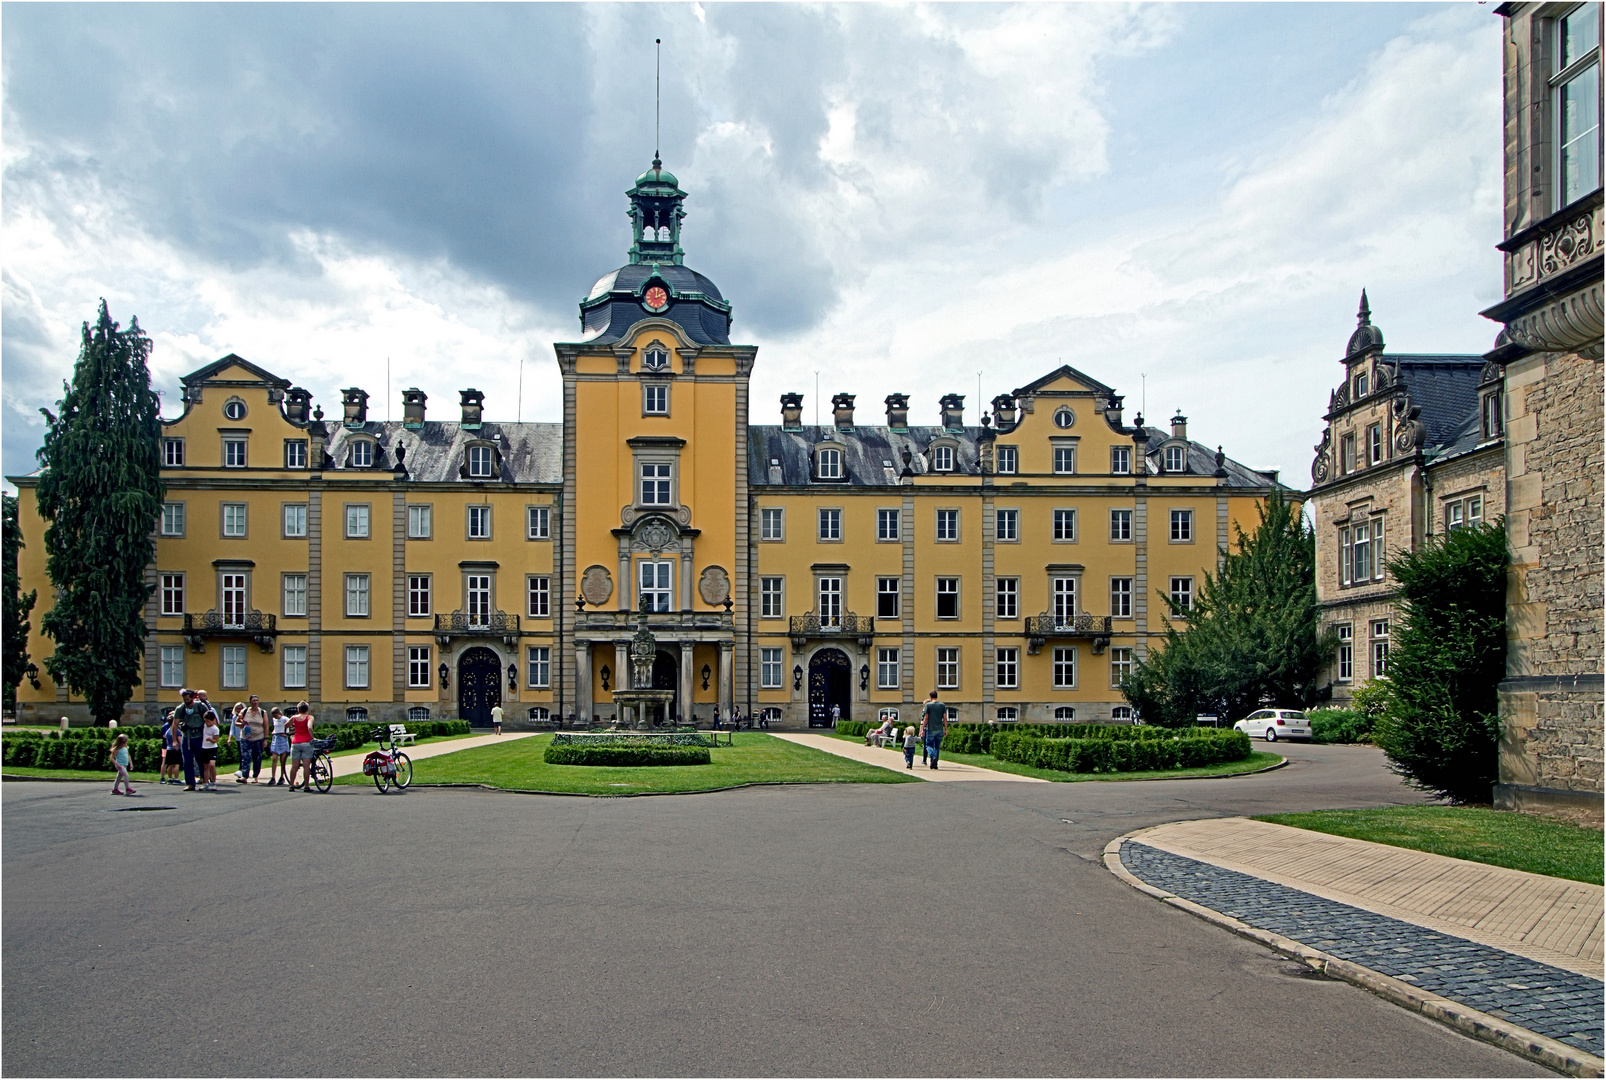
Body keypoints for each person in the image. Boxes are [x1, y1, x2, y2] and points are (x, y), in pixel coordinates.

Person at [171, 689, 207, 791]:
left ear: (192, 698)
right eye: (184, 699)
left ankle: (204, 781)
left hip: (199, 736)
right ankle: (191, 783)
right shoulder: (181, 708)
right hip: (187, 737)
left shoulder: (200, 707)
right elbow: (175, 724)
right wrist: (174, 740)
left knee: (201, 760)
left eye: (188, 699)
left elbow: (209, 720)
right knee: (187, 761)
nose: (186, 701)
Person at [236, 695, 268, 783]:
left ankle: (255, 776)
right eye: (253, 700)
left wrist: (265, 739)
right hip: (245, 738)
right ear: (250, 702)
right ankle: (244, 776)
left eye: (257, 700)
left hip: (258, 738)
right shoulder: (245, 711)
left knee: (257, 757)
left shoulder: (262, 712)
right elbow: (237, 722)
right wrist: (242, 724)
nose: (255, 702)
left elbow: (265, 726)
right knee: (246, 756)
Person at [286, 702, 316, 791]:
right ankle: (306, 786)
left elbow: (286, 725)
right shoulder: (309, 717)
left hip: (295, 742)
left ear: (298, 710)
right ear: (307, 710)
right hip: (306, 742)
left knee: (294, 765)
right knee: (306, 766)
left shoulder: (294, 717)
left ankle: (291, 785)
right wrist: (312, 737)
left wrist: (292, 727)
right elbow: (309, 727)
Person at [922, 691, 947, 770]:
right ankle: (935, 764)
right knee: (937, 746)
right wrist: (946, 728)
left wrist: (922, 728)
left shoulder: (928, 705)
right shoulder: (942, 705)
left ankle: (932, 757)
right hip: (939, 729)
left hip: (930, 729)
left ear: (930, 697)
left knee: (928, 745)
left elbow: (926, 717)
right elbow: (945, 718)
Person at [267, 708, 290, 786]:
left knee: (282, 759)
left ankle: (282, 776)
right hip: (276, 737)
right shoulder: (274, 719)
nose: (275, 717)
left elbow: (291, 726)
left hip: (282, 738)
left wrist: (287, 733)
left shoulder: (285, 719)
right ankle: (273, 777)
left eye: (276, 715)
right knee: (274, 758)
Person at [199, 709, 221, 790]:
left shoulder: (215, 729)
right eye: (205, 721)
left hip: (212, 748)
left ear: (213, 720)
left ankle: (214, 782)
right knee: (205, 766)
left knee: (212, 764)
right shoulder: (204, 726)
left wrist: (210, 740)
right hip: (204, 748)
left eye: (208, 721)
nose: (206, 723)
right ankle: (205, 782)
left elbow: (215, 740)